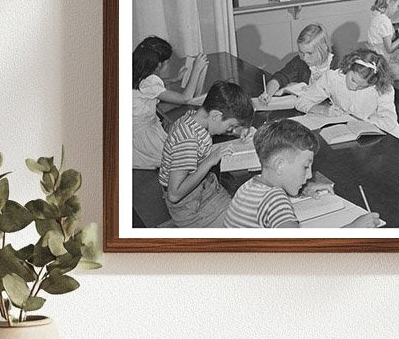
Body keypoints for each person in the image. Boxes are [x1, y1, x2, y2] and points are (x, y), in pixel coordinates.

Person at [224, 119, 379, 229]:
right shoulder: (275, 200)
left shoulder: (248, 187)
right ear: (279, 165)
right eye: (305, 167)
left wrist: (303, 188)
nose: (310, 175)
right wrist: (353, 228)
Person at [159, 81, 255, 227]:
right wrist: (210, 160)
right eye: (231, 125)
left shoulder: (194, 118)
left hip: (205, 189)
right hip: (189, 206)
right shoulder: (187, 139)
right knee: (244, 223)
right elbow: (174, 194)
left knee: (247, 211)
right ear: (216, 115)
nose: (229, 130)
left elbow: (213, 130)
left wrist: (238, 131)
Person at [280, 49, 399, 134]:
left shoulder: (383, 87)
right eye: (353, 80)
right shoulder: (332, 78)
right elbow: (301, 101)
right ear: (349, 67)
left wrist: (363, 121)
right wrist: (323, 110)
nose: (354, 87)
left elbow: (389, 121)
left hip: (386, 135)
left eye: (361, 87)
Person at [131, 36, 207, 169]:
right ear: (159, 65)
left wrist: (174, 79)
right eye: (168, 62)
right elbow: (185, 98)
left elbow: (147, 87)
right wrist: (196, 70)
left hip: (138, 128)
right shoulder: (150, 81)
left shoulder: (136, 72)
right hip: (142, 137)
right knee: (183, 157)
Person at [264, 24, 333, 100]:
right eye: (301, 52)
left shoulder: (337, 66)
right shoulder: (299, 62)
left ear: (324, 48)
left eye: (310, 53)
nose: (305, 58)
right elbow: (279, 78)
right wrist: (268, 94)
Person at [367, 0, 399, 82]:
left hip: (375, 59)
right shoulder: (384, 21)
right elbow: (390, 49)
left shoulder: (375, 14)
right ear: (388, 2)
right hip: (383, 65)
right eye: (397, 6)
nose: (397, 9)